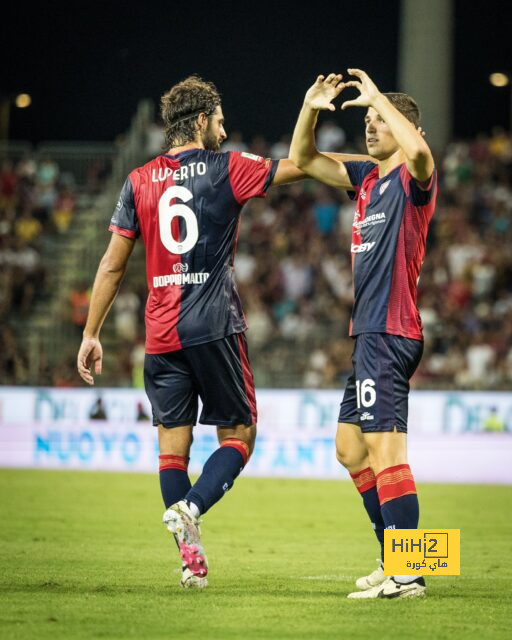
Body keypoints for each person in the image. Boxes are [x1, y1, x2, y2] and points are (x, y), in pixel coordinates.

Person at [76, 75, 314, 589]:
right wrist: (352, 161)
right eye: (221, 121)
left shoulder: (138, 180)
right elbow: (300, 166)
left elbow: (112, 266)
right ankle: (192, 506)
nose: (225, 132)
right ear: (202, 120)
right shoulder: (228, 167)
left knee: (171, 450)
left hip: (160, 335)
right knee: (240, 434)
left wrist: (91, 333)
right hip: (213, 325)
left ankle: (191, 565)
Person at [290, 70, 437, 599]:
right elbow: (304, 159)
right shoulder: (367, 176)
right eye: (368, 120)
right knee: (351, 449)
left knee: (387, 452)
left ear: (403, 126)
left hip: (389, 329)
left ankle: (409, 571)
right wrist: (310, 108)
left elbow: (421, 153)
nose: (370, 127)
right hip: (368, 333)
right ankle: (395, 557)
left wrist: (380, 97)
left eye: (378, 120)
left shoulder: (412, 178)